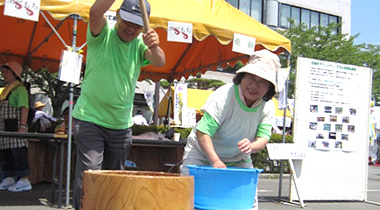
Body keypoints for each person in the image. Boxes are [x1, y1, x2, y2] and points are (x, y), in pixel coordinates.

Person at [71, 0, 165, 208]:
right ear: (118, 16)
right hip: (90, 119)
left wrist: (155, 46)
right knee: (91, 173)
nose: (130, 28)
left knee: (114, 178)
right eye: (127, 21)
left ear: (143, 27)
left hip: (121, 126)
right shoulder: (102, 34)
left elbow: (159, 61)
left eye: (137, 24)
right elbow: (95, 11)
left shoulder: (140, 44)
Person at [179, 49, 280, 210]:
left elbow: (263, 138)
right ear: (242, 77)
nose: (254, 86)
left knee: (247, 204)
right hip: (201, 154)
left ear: (270, 87)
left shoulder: (267, 106)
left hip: (238, 158)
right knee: (190, 200)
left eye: (262, 81)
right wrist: (215, 161)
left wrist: (252, 145)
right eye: (252, 78)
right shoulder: (224, 95)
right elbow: (203, 131)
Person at [0, 61, 32, 192]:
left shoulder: (20, 89)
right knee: (5, 154)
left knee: (18, 152)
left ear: (15, 73)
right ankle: (9, 178)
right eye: (3, 71)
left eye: (7, 72)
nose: (4, 74)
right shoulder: (6, 89)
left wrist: (23, 126)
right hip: (4, 126)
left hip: (16, 125)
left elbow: (25, 108)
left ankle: (24, 179)